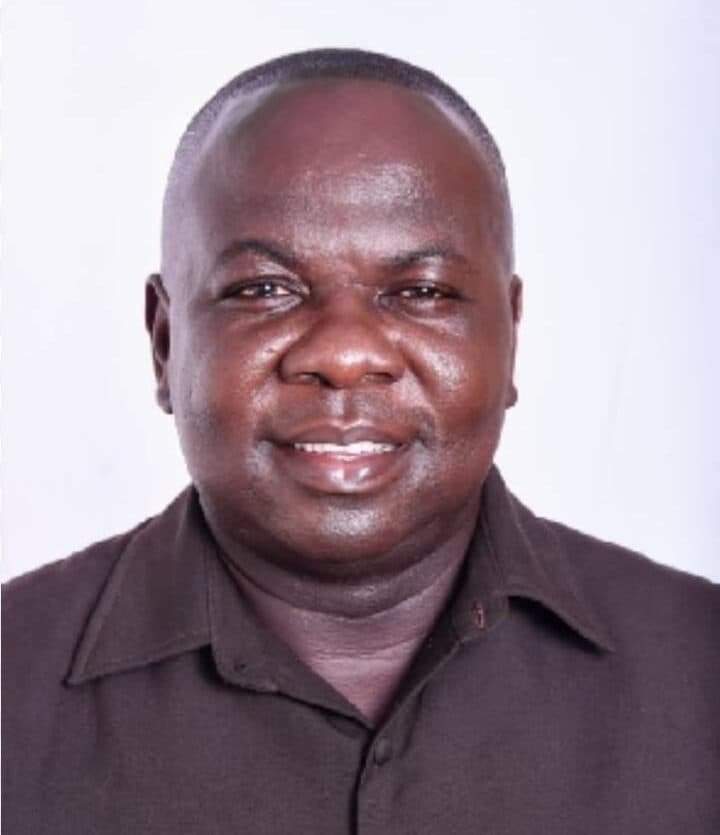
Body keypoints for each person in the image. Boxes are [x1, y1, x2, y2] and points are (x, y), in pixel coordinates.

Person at [2, 48, 718, 834]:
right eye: (263, 289)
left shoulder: (701, 670)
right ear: (166, 344)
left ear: (510, 338)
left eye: (422, 292)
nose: (343, 354)